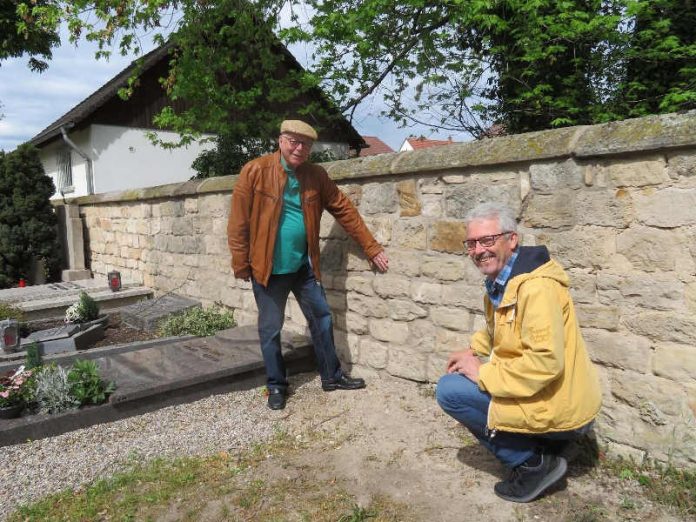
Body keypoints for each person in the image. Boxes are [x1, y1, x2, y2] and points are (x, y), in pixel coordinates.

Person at [436, 202, 601, 503]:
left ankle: (534, 464)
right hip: (551, 399)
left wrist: (482, 372)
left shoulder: (536, 288)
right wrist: (472, 349)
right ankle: (548, 446)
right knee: (462, 377)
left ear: (512, 239)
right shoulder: (504, 280)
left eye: (487, 240)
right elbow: (496, 330)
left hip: (562, 407)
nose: (478, 250)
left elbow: (544, 363)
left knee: (450, 391)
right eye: (471, 243)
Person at [227, 120, 389, 410]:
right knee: (271, 329)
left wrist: (371, 246)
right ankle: (276, 385)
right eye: (294, 141)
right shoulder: (255, 171)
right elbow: (238, 223)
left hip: (304, 266)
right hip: (268, 269)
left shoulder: (316, 175)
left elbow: (343, 208)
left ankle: (332, 376)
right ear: (280, 140)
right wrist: (241, 264)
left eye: (306, 144)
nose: (300, 148)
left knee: (322, 319)